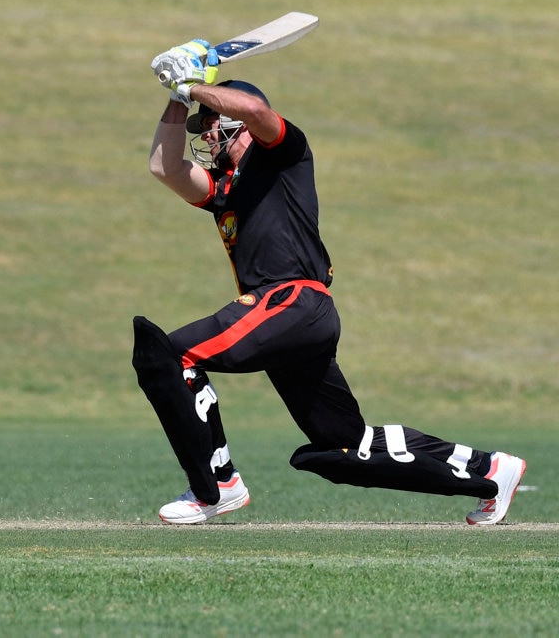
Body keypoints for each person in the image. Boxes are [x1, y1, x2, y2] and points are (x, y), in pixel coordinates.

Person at [133, 40, 526, 525]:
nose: (206, 136)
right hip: (294, 322)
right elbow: (164, 167)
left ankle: (216, 486)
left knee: (173, 355)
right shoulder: (224, 189)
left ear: (237, 125)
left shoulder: (284, 154)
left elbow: (256, 108)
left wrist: (192, 83)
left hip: (291, 301)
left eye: (211, 124)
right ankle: (489, 469)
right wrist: (177, 95)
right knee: (346, 447)